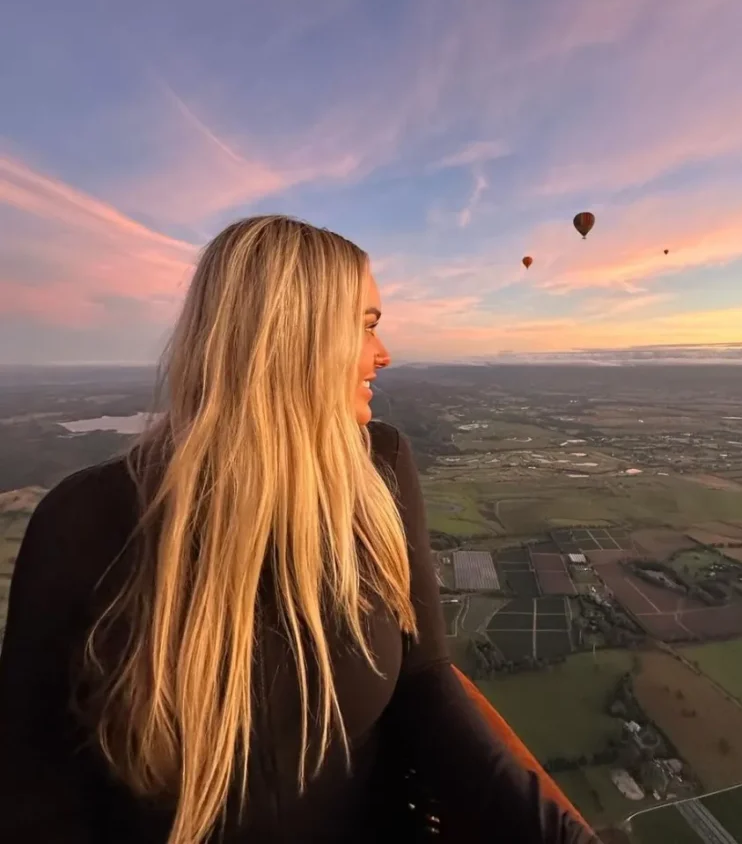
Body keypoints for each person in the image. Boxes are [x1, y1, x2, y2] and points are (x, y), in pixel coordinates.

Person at [0, 215, 596, 844]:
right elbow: (33, 796)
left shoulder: (380, 469)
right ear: (293, 339)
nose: (384, 353)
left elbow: (425, 682)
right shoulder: (80, 523)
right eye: (366, 325)